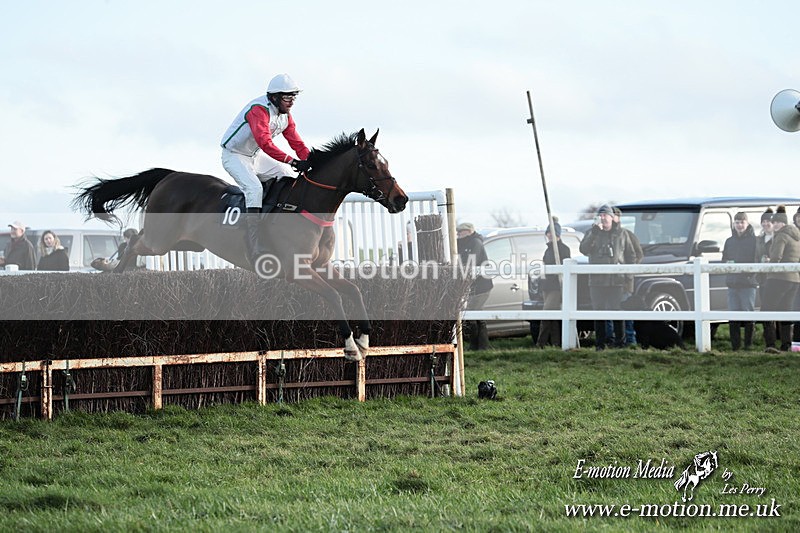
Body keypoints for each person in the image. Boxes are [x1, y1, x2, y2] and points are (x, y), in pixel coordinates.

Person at [220, 73, 311, 265]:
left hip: (254, 156)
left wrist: (311, 161)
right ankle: (254, 242)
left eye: (294, 96)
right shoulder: (258, 110)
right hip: (234, 155)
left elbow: (296, 142)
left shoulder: (285, 116)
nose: (292, 101)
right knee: (254, 189)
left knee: (287, 177)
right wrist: (293, 162)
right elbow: (266, 143)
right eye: (288, 97)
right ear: (274, 97)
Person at [579, 204, 639, 350]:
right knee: (598, 313)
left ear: (612, 218)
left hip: (617, 280)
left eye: (606, 215)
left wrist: (628, 276)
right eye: (601, 215)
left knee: (617, 312)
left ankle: (620, 344)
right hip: (597, 281)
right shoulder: (592, 233)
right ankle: (600, 344)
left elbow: (632, 256)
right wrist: (593, 234)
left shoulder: (623, 234)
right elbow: (583, 250)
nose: (603, 218)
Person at [761, 206, 800, 353]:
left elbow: (777, 257)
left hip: (778, 278)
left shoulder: (781, 236)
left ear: (781, 223)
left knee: (766, 310)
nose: (774, 225)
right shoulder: (797, 235)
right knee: (786, 311)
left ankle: (770, 344)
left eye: (776, 222)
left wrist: (768, 264)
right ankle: (786, 344)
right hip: (794, 280)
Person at [721, 212, 757, 350]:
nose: (739, 225)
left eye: (742, 222)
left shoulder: (754, 240)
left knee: (748, 315)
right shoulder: (729, 241)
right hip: (732, 283)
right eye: (737, 222)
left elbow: (756, 259)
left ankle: (748, 345)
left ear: (747, 223)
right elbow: (724, 259)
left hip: (748, 284)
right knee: (733, 315)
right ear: (734, 224)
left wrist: (749, 275)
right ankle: (735, 346)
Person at [609, 206, 643, 347]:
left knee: (625, 311)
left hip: (624, 283)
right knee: (609, 313)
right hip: (607, 283)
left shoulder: (627, 235)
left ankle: (630, 341)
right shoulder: (602, 235)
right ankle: (612, 341)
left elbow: (638, 255)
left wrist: (628, 274)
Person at [457, 222, 493, 350]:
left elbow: (472, 262)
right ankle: (481, 345)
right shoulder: (465, 243)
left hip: (481, 285)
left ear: (469, 231)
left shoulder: (475, 243)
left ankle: (478, 345)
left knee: (473, 314)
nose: (459, 234)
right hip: (474, 286)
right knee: (477, 315)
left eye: (462, 232)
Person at [536, 217, 571, 348]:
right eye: (548, 233)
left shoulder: (564, 249)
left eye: (552, 233)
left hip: (557, 287)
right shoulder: (548, 250)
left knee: (546, 313)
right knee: (553, 316)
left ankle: (541, 343)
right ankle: (556, 342)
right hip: (547, 286)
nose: (550, 235)